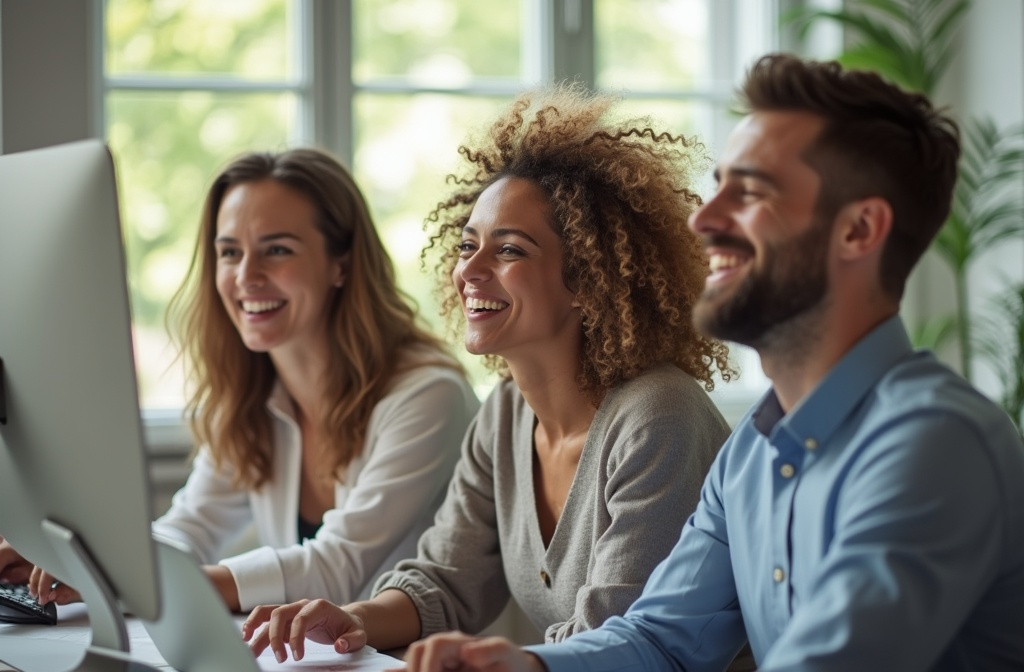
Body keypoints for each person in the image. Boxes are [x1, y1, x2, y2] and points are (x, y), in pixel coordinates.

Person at [379, 53, 1024, 672]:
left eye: (750, 194)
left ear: (858, 231)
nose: (704, 221)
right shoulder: (751, 454)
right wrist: (526, 665)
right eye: (716, 190)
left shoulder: (934, 442)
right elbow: (660, 641)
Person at [242, 84, 744, 666]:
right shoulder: (505, 413)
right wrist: (352, 617)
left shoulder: (659, 418)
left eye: (509, 251)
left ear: (587, 280)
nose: (470, 272)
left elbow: (614, 641)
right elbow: (446, 581)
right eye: (467, 245)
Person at [0, 148, 479, 613]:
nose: (246, 276)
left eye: (276, 250)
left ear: (342, 263)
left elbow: (337, 569)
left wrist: (122, 579)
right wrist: (77, 557)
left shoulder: (427, 394)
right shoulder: (254, 394)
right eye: (229, 252)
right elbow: (189, 529)